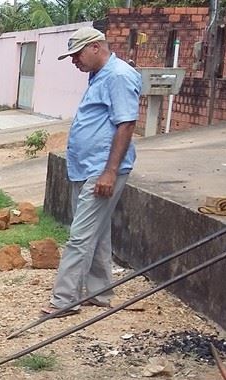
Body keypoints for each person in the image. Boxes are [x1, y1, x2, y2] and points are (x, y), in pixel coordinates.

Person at [41, 27, 141, 318]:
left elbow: (126, 124)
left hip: (102, 169)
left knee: (80, 235)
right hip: (86, 168)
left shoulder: (119, 76)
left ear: (96, 47)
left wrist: (109, 172)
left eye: (78, 54)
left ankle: (64, 301)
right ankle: (99, 293)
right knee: (96, 232)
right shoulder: (99, 75)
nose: (75, 61)